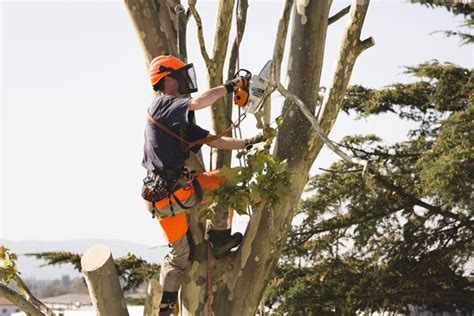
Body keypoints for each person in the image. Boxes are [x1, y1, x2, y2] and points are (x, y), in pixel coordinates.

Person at [141, 55, 265, 315]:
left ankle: (166, 306)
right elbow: (198, 102)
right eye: (180, 76)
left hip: (159, 199)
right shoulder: (163, 104)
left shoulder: (174, 120)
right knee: (225, 180)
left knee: (179, 255)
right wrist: (231, 86)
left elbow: (215, 141)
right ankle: (219, 237)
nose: (185, 81)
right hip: (175, 192)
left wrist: (250, 141)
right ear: (168, 79)